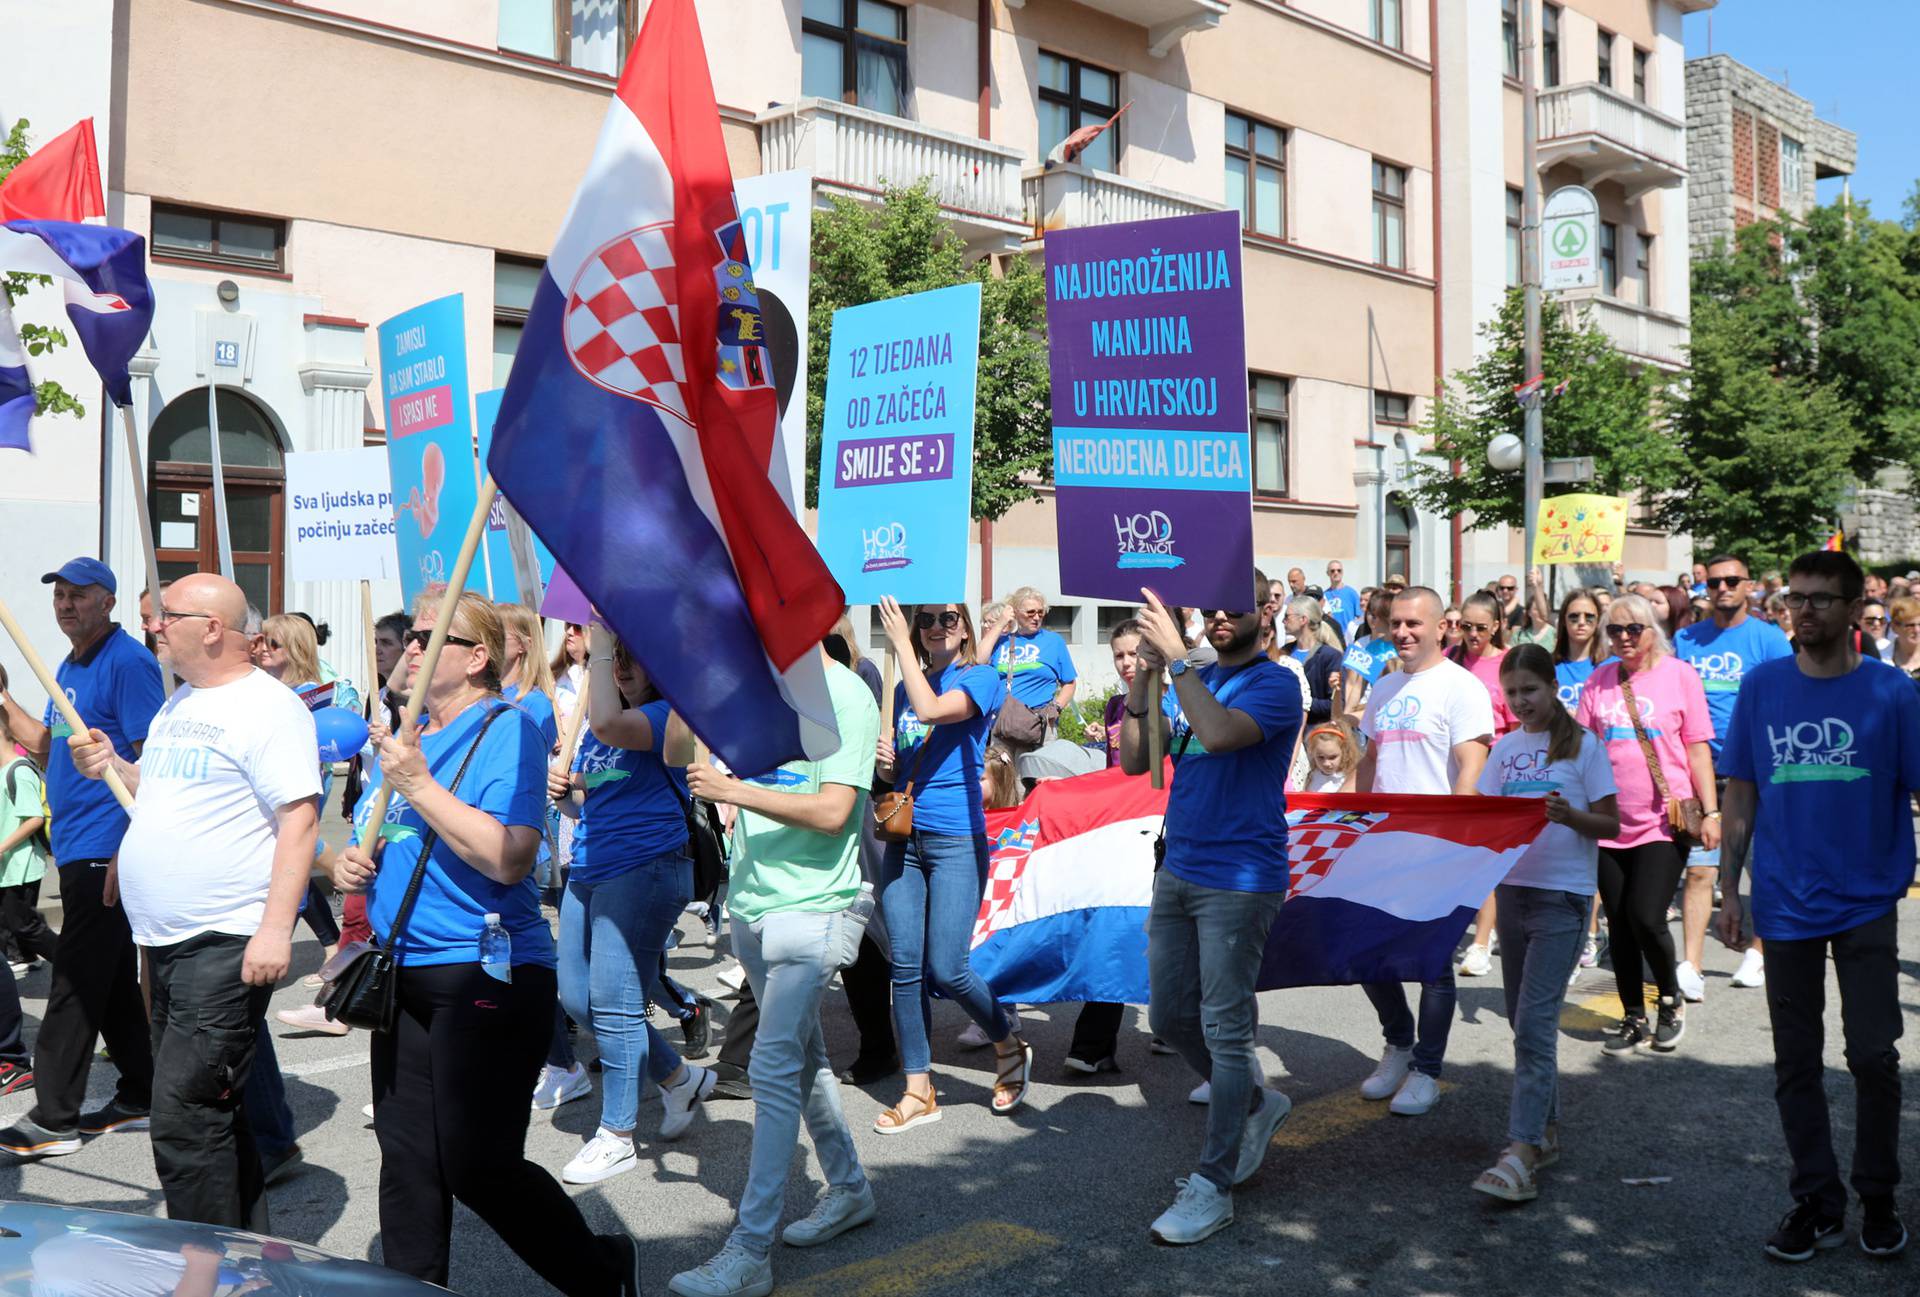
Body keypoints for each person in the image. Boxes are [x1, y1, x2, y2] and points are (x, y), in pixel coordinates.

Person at [332, 591, 642, 1294]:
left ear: (476, 657)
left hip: (486, 972)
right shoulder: (400, 741)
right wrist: (345, 863)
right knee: (407, 1159)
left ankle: (601, 1271)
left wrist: (419, 783)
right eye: (407, 636)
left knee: (477, 1162)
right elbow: (358, 847)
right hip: (401, 972)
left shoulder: (505, 728)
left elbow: (509, 856)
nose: (408, 647)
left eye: (424, 637)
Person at [67, 573, 320, 1229]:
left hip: (225, 938)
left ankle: (202, 1267)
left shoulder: (269, 708)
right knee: (213, 1111)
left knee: (182, 1117)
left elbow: (299, 821)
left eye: (166, 616)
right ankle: (247, 1257)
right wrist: (114, 767)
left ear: (212, 627)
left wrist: (274, 931)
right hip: (168, 939)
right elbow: (160, 788)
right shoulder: (181, 702)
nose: (153, 626)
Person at [1715, 550, 1913, 1262]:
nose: (1805, 610)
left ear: (1858, 608)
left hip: (1867, 899)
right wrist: (1728, 889)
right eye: (1797, 598)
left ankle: (1879, 1195)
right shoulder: (1764, 687)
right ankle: (1815, 1200)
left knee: (1872, 1056)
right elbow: (1741, 791)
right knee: (1795, 1061)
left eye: (1822, 599)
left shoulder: (1893, 692)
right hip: (1785, 902)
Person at [667, 645, 882, 1297]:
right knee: (804, 1055)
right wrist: (683, 671)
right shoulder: (749, 683)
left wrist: (733, 789)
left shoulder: (845, 693)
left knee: (772, 1061)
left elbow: (833, 810)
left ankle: (750, 1249)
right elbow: (680, 752)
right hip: (754, 903)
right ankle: (847, 1188)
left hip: (816, 908)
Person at [1121, 577, 1302, 1245]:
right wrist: (1144, 679)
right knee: (1169, 1015)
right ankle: (1256, 1102)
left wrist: (1174, 661)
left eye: (1236, 605)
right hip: (1180, 869)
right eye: (1214, 606)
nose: (1221, 615)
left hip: (1241, 879)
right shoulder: (1190, 676)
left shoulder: (1276, 683)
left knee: (1226, 1031)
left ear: (1267, 611)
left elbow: (1221, 735)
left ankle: (1214, 1184)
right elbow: (1142, 764)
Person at [0, 558, 160, 1159]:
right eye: (59, 596)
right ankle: (142, 1090)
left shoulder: (129, 663)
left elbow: (153, 761)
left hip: (107, 847)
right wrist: (4, 697)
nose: (66, 605)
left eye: (79, 595)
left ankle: (54, 1117)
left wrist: (130, 846)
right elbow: (48, 747)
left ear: (108, 602)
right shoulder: (67, 663)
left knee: (73, 982)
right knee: (111, 978)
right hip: (74, 844)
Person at [547, 627, 715, 1183]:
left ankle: (617, 1134)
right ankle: (676, 1077)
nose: (620, 667)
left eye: (631, 657)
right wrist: (563, 791)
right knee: (577, 998)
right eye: (613, 658)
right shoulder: (599, 730)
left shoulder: (671, 715)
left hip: (645, 866)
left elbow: (610, 724)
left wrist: (596, 642)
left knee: (616, 1002)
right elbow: (582, 807)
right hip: (590, 867)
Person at [871, 596, 1028, 1132]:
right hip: (904, 839)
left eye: (948, 619)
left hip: (957, 839)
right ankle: (918, 1089)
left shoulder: (979, 677)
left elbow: (936, 711)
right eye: (927, 620)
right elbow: (901, 767)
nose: (937, 627)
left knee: (949, 967)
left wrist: (899, 646)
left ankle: (1006, 1041)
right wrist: (886, 762)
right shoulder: (901, 689)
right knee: (905, 968)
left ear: (963, 629)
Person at [1470, 646, 1619, 1204]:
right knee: (1520, 1020)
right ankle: (1546, 1134)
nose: (1520, 701)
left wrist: (1569, 815)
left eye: (1529, 689)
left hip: (1564, 896)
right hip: (1513, 892)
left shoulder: (1585, 746)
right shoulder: (1505, 748)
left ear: (1554, 686)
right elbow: (1483, 815)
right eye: (1511, 693)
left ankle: (1522, 1149)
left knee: (1533, 1026)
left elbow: (1610, 821)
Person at [1354, 586, 1494, 1115]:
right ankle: (1398, 1043)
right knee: (1368, 955)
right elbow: (1367, 765)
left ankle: (1428, 1070)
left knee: (1432, 963)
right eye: (1396, 623)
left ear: (1442, 628)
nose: (1403, 632)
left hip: (1434, 847)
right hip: (1380, 847)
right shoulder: (1385, 686)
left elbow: (1470, 771)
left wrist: (1454, 848)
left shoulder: (1462, 688)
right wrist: (1353, 826)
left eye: (1414, 623)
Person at [1576, 593, 1719, 1056]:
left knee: (1645, 915)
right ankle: (1633, 1014)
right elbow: (1584, 749)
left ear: (1652, 628)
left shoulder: (1680, 676)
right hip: (1611, 821)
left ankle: (1671, 1001)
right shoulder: (1599, 680)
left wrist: (1712, 811)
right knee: (1618, 924)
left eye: (1631, 629)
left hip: (1663, 821)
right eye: (1613, 630)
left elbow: (1697, 747)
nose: (1622, 638)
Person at [1672, 555, 1791, 1002]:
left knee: (1761, 869)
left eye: (1732, 581)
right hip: (1699, 772)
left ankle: (1758, 952)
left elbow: (1786, 699)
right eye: (1716, 581)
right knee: (1700, 873)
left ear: (1748, 586)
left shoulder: (1769, 638)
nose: (1722, 588)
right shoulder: (1685, 639)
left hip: (1756, 773)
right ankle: (1692, 964)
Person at [1450, 591, 1515, 976]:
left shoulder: (1507, 665)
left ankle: (1481, 942)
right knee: (1463, 857)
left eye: (1480, 627)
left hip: (1498, 770)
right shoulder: (1449, 660)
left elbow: (1519, 722)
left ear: (1496, 626)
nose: (1472, 634)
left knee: (1488, 859)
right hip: (1458, 773)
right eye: (1465, 626)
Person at [0, 692, 57, 978]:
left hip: (21, 865)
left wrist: (1, 847)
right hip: (7, 867)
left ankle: (73, 963)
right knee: (14, 921)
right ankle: (27, 956)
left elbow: (34, 818)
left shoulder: (19, 771)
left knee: (24, 924)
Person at [978, 587, 1076, 753]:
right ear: (1015, 612)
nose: (1036, 617)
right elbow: (978, 660)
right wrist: (1001, 622)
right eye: (1030, 612)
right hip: (1005, 724)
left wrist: (1056, 708)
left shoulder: (1054, 641)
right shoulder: (1002, 642)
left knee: (1037, 777)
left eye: (1040, 612)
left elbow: (1070, 682)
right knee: (1003, 777)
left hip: (1040, 724)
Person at [1278, 597, 1344, 726]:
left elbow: (1334, 704)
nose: (1283, 621)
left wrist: (1302, 701)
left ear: (1303, 619)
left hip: (1314, 733)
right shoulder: (1283, 653)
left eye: (1287, 616)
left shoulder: (1330, 656)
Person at [1089, 619, 1144, 766]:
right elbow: (1110, 764)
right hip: (1120, 787)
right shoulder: (1114, 706)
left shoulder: (1166, 703)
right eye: (1119, 656)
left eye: (1134, 654)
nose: (1126, 663)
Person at [1302, 723, 1359, 793]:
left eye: (1332, 757)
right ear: (1312, 753)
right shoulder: (1311, 777)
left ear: (1344, 753)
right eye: (1321, 757)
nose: (1326, 763)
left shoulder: (1348, 779)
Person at [1323, 560, 1363, 638]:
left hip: (1348, 637)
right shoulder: (1324, 595)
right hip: (1331, 637)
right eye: (1332, 571)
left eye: (1339, 570)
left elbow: (1360, 617)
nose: (1336, 573)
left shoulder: (1351, 593)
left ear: (1342, 572)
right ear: (1328, 573)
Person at [1887, 596, 1920, 681]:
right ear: (1894, 627)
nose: (1917, 630)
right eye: (1910, 625)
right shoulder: (1881, 655)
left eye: (1919, 624)